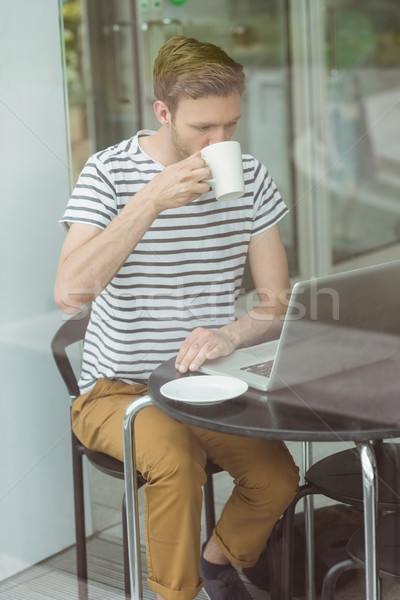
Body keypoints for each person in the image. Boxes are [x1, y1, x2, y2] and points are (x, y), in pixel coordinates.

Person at [55, 36, 299, 600]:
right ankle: (173, 594)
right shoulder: (108, 174)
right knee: (175, 460)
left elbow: (278, 303)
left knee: (276, 478)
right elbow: (70, 293)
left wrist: (230, 334)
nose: (221, 142)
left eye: (230, 126)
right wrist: (150, 201)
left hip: (205, 384)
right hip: (117, 391)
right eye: (202, 129)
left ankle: (216, 564)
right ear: (163, 113)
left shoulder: (252, 178)